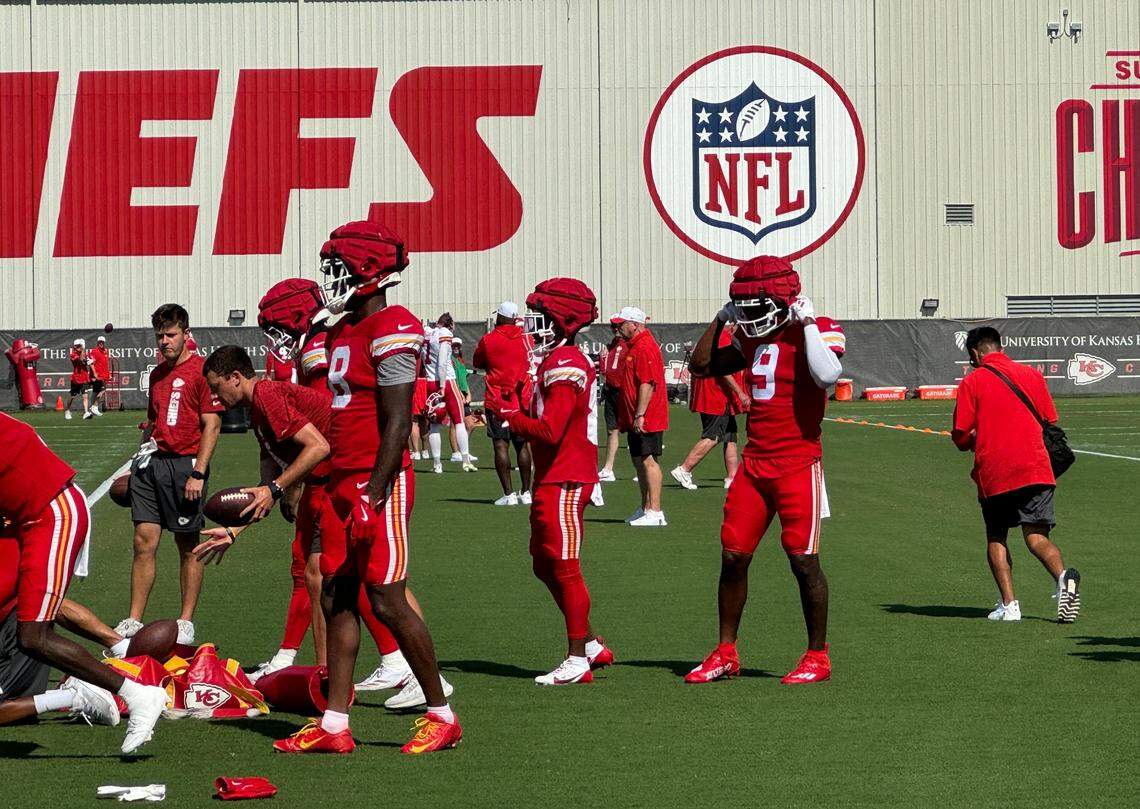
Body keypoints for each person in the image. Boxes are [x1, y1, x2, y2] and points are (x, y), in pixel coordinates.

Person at [268, 220, 460, 755]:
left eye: (337, 268)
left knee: (387, 598)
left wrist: (374, 492)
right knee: (337, 595)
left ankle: (441, 713)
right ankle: (334, 723)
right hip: (339, 478)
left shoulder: (393, 324)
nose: (328, 279)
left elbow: (397, 421)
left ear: (368, 271)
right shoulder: (339, 330)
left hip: (378, 482)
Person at [255, 281, 422, 696]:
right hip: (336, 471)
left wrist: (299, 478)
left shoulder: (323, 343)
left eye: (277, 326)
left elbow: (325, 420)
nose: (275, 337)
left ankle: (402, 667)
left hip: (345, 471)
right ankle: (327, 668)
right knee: (327, 575)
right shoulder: (325, 339)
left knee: (371, 580)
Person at [684, 256, 845, 686]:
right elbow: (700, 365)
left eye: (757, 307)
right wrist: (721, 318)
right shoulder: (751, 336)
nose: (751, 317)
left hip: (798, 462)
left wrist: (806, 323)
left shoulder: (817, 326)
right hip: (755, 464)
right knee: (732, 556)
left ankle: (818, 656)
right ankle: (726, 652)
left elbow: (828, 373)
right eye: (744, 308)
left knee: (803, 561)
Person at [0, 413, 169, 752]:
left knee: (33, 636)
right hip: (30, 516)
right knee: (32, 616)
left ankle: (138, 695)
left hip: (51, 514)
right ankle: (117, 671)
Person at [499, 278, 614, 684]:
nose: (532, 325)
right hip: (552, 475)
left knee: (565, 567)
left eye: (540, 316)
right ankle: (591, 643)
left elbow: (550, 430)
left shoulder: (567, 362)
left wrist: (511, 417)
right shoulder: (555, 359)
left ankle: (577, 659)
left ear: (562, 319)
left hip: (567, 476)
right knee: (543, 562)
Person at [951, 326, 1080, 623]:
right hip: (1037, 468)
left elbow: (960, 435)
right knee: (1036, 537)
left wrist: (974, 441)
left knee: (997, 535)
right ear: (1000, 346)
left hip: (996, 471)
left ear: (975, 353)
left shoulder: (972, 381)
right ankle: (1062, 578)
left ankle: (1009, 605)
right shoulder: (1032, 375)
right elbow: (1050, 418)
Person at [116, 304, 223, 646]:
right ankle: (133, 619)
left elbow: (212, 425)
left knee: (187, 544)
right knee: (143, 541)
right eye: (160, 336)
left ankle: (186, 621)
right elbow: (152, 421)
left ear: (186, 334)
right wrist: (138, 457)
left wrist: (198, 473)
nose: (164, 342)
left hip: (186, 466)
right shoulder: (157, 374)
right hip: (153, 466)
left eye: (171, 335)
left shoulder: (202, 371)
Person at [672, 325, 748, 490]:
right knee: (713, 436)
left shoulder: (720, 337)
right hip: (716, 397)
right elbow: (723, 370)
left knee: (730, 436)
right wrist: (741, 393)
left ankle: (732, 477)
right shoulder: (722, 339)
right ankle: (684, 469)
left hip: (720, 397)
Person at [612, 307, 669, 526]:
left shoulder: (644, 346)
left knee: (648, 460)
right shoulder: (634, 346)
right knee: (639, 460)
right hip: (636, 415)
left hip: (647, 416)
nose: (618, 328)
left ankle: (655, 510)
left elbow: (647, 383)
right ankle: (645, 507)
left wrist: (640, 414)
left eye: (622, 323)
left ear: (634, 325)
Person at [473, 302, 534, 505]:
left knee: (500, 445)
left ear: (500, 317)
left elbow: (478, 362)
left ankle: (509, 494)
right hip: (521, 398)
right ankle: (526, 492)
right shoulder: (526, 338)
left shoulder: (489, 339)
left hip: (497, 398)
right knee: (522, 444)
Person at [424, 313, 476, 473]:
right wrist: (442, 385)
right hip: (445, 381)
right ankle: (466, 461)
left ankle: (437, 464)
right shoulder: (444, 334)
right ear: (450, 324)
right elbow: (442, 362)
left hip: (429, 381)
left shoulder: (427, 333)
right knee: (459, 420)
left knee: (434, 425)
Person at [596, 324, 625, 482]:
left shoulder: (630, 344)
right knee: (611, 429)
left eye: (618, 326)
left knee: (635, 430)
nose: (615, 329)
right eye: (613, 327)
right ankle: (608, 469)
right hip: (611, 390)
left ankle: (643, 466)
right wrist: (603, 358)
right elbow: (605, 370)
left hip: (625, 391)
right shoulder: (612, 345)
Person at [64, 338, 92, 420]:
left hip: (84, 378)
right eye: (78, 346)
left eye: (80, 345)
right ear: (75, 347)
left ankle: (86, 412)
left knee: (85, 396)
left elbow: (87, 362)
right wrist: (83, 350)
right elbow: (81, 360)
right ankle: (67, 410)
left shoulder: (83, 353)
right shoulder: (73, 355)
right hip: (76, 379)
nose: (79, 347)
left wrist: (90, 361)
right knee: (72, 396)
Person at [89, 335, 111, 416]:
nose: (101, 343)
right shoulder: (94, 351)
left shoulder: (105, 351)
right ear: (97, 342)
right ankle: (94, 407)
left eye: (102, 342)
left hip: (104, 375)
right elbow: (91, 363)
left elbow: (106, 364)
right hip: (98, 376)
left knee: (95, 391)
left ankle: (92, 409)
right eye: (100, 342)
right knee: (103, 390)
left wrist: (108, 374)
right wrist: (94, 374)